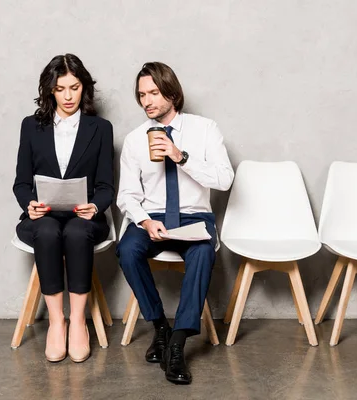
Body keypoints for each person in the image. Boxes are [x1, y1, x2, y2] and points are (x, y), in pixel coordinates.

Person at [117, 62, 234, 384]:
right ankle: (160, 328)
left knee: (202, 254)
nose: (147, 101)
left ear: (171, 92)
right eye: (142, 95)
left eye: (154, 93)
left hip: (194, 217)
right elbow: (126, 194)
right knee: (127, 251)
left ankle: (178, 345)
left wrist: (180, 156)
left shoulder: (204, 129)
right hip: (151, 218)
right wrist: (143, 220)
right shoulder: (134, 139)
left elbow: (225, 179)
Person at [13, 53, 114, 363]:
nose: (68, 96)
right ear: (50, 91)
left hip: (84, 218)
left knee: (76, 232)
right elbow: (21, 182)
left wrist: (94, 207)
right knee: (46, 231)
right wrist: (28, 204)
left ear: (84, 88)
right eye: (60, 89)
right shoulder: (31, 126)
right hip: (42, 217)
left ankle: (79, 321)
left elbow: (106, 186)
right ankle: (58, 322)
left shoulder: (100, 128)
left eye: (74, 87)